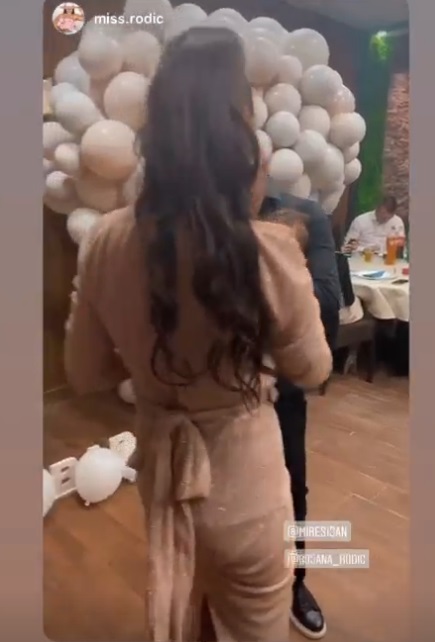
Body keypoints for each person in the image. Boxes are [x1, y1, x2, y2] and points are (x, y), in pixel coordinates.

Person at [64, 27, 332, 642]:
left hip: (164, 479)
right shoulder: (268, 249)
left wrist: (149, 363)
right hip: (247, 493)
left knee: (192, 613)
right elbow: (314, 368)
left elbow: (85, 373)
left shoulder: (105, 241)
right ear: (239, 132)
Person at [261, 193, 340, 639]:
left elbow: (328, 301)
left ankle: (295, 584)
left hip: (284, 389)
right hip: (215, 395)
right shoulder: (206, 213)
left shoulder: (306, 214)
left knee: (293, 489)